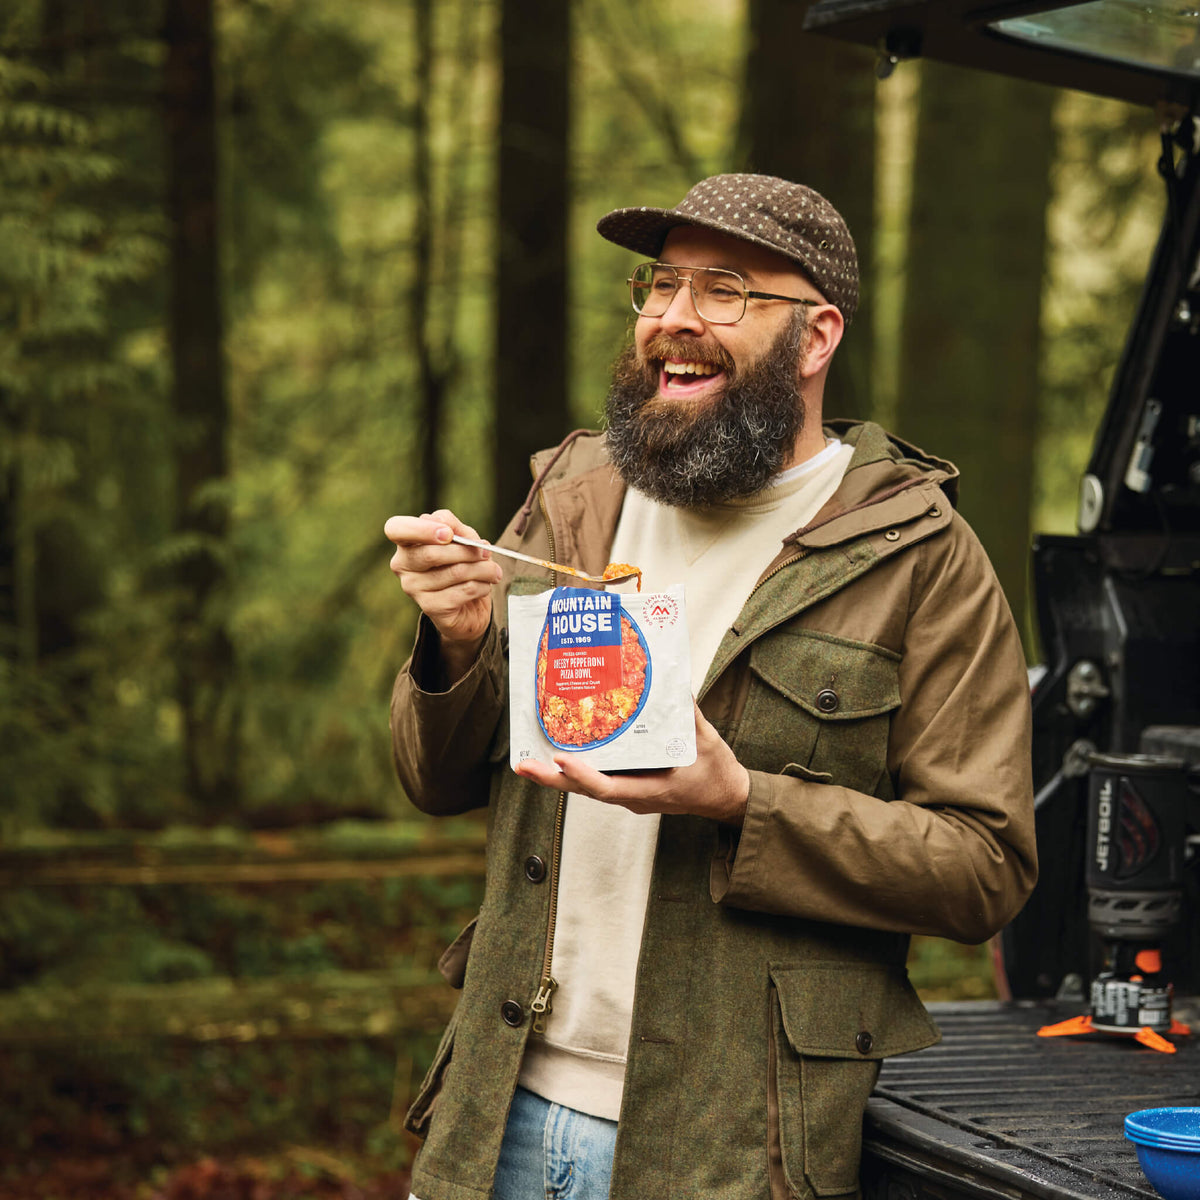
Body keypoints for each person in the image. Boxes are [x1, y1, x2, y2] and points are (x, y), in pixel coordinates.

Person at [385, 173, 1037, 1200]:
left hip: (735, 1147)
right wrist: (460, 642)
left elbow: (984, 866)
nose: (673, 318)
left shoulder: (918, 555)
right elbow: (437, 778)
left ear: (816, 337)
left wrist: (744, 803)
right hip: (498, 1112)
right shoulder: (576, 498)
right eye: (661, 284)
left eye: (724, 290)